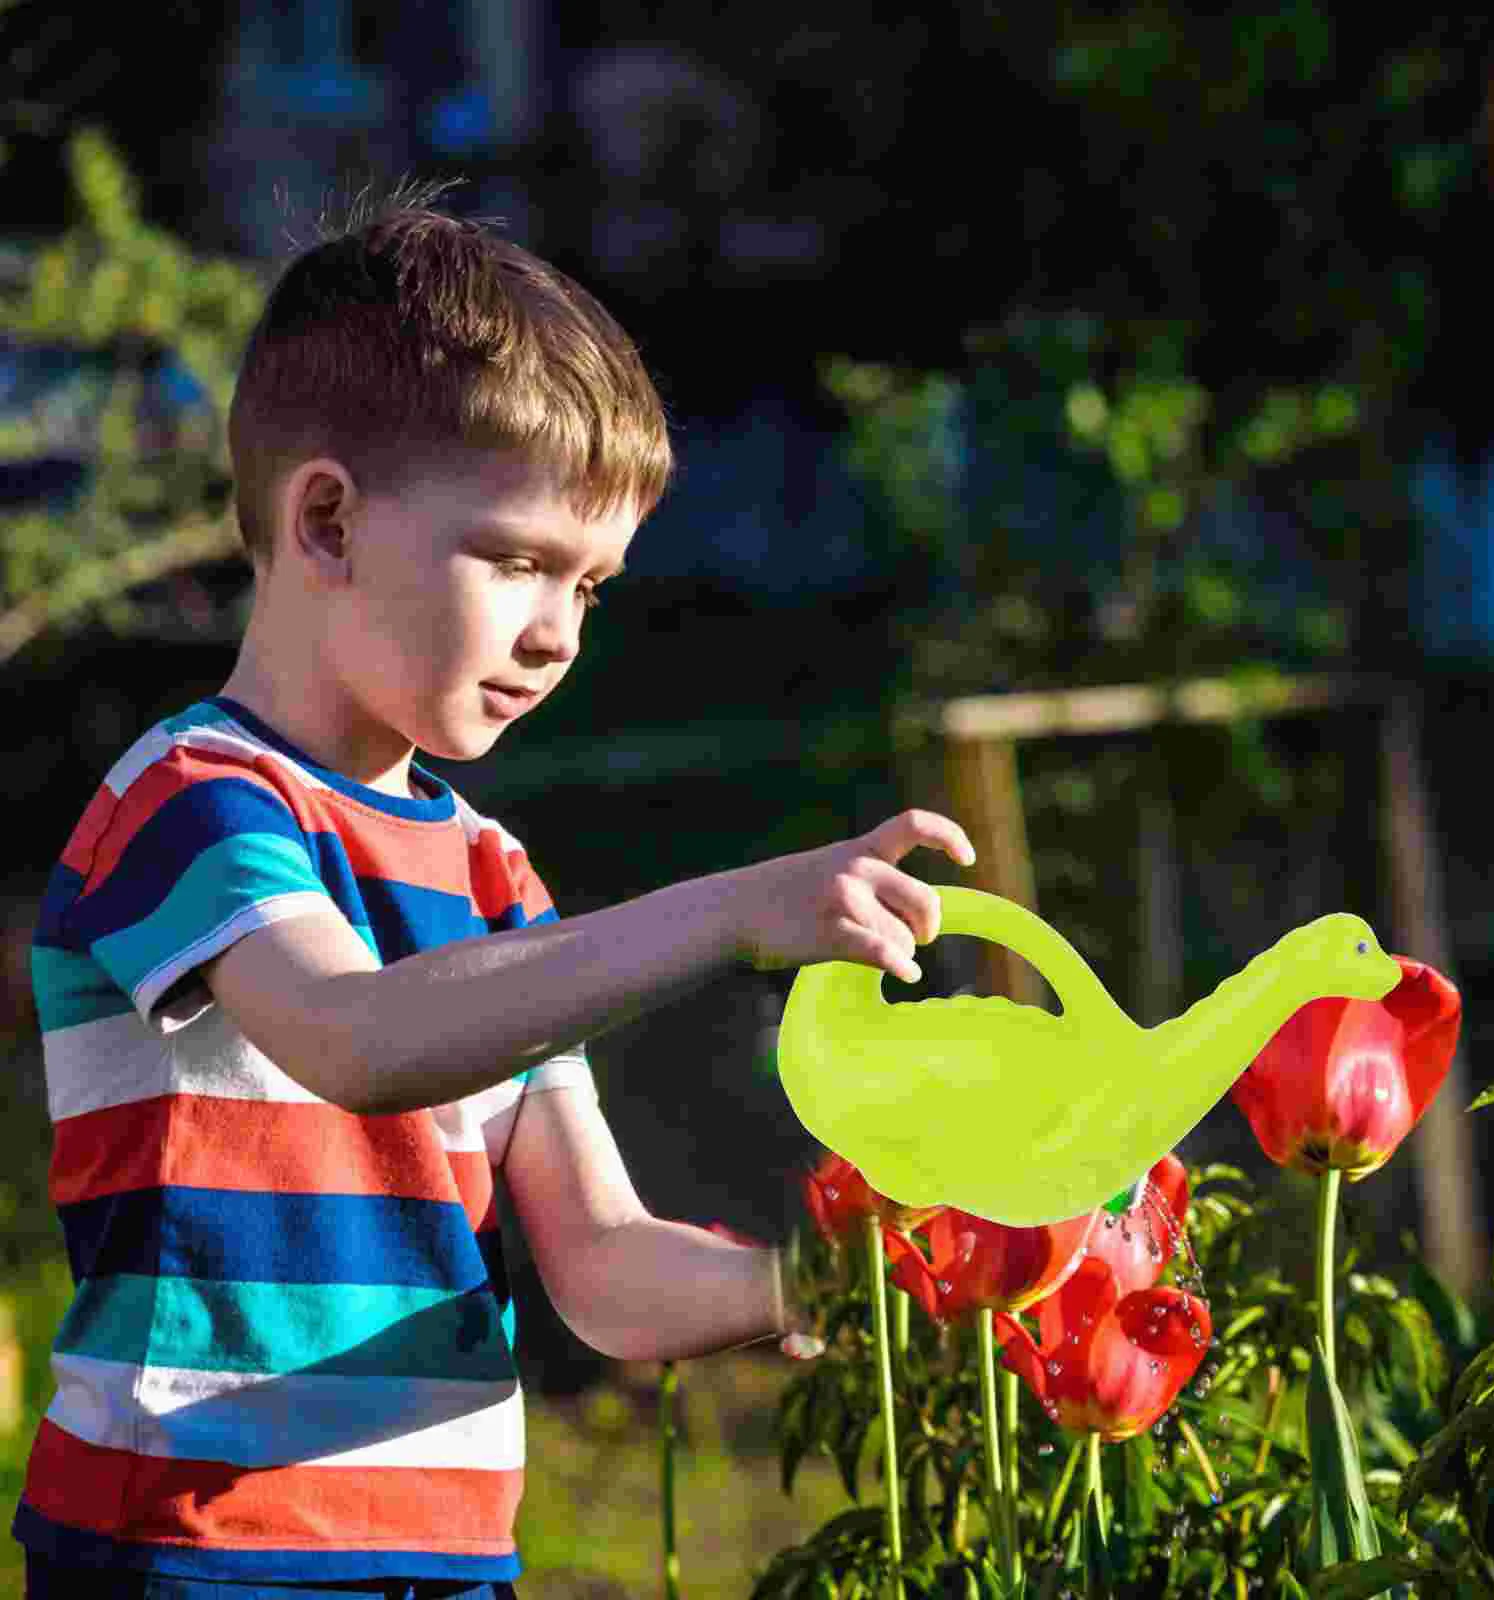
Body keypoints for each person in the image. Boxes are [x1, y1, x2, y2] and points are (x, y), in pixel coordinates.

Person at [11, 186, 976, 1599]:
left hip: (449, 1561)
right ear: (327, 522)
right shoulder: (195, 799)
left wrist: (841, 1283)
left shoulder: (487, 870)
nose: (559, 633)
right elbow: (360, 1037)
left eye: (593, 586)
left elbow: (605, 1270)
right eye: (522, 561)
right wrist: (729, 910)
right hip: (192, 1552)